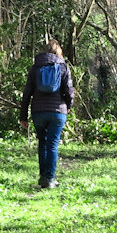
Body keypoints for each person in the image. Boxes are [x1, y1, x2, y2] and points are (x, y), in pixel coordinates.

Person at [19, 40, 74, 189]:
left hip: (38, 112)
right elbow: (69, 91)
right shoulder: (63, 67)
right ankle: (50, 179)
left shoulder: (35, 68)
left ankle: (43, 178)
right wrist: (68, 107)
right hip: (57, 112)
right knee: (52, 144)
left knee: (42, 143)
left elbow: (27, 94)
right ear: (59, 52)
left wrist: (23, 116)